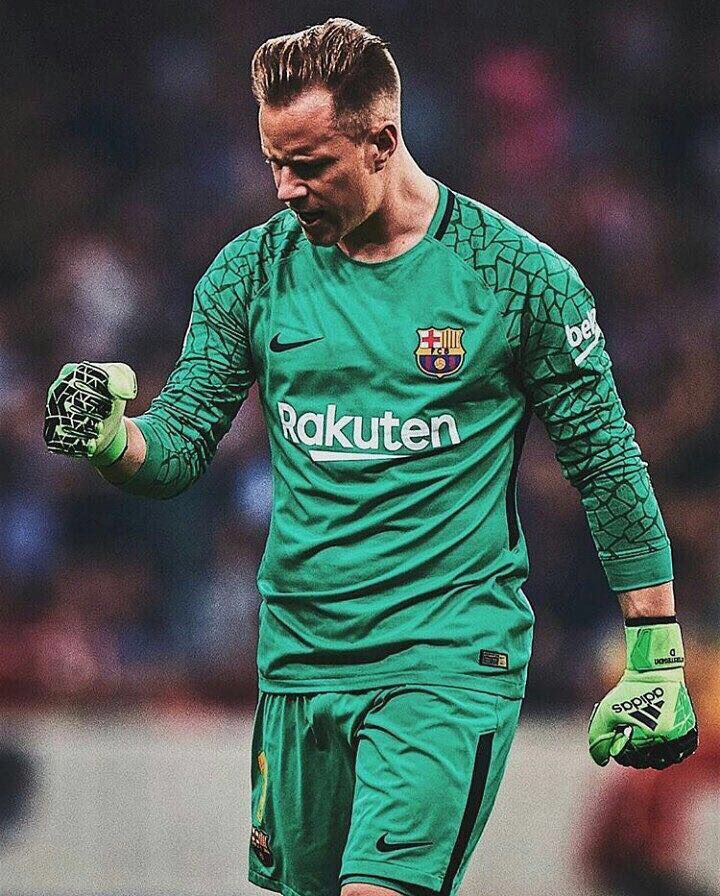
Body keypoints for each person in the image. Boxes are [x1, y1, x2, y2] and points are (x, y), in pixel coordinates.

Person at [44, 18, 698, 896]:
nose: (286, 188)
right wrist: (109, 438)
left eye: (311, 165)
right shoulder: (249, 273)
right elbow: (177, 446)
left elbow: (606, 461)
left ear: (383, 140)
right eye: (275, 163)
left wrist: (655, 649)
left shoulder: (518, 279)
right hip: (299, 663)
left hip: (445, 658)